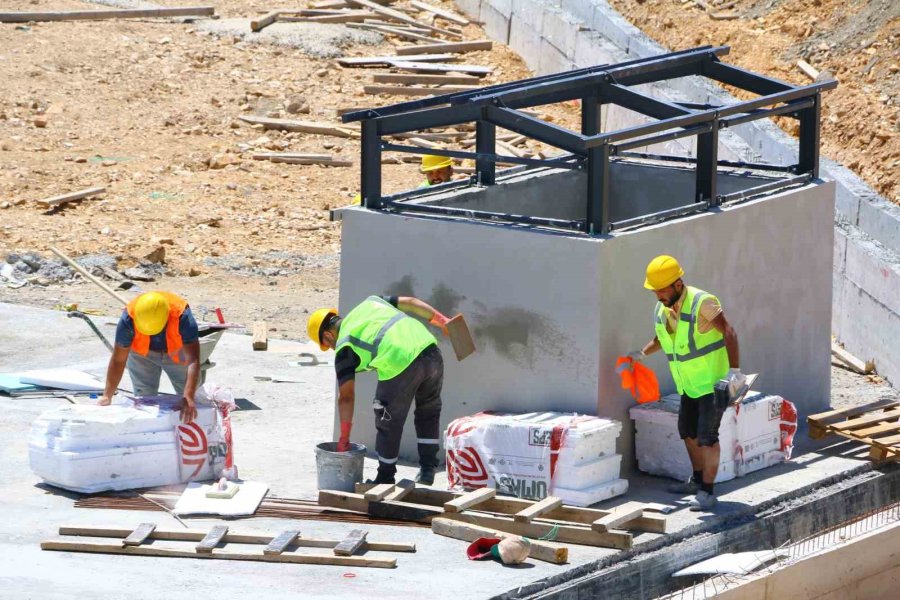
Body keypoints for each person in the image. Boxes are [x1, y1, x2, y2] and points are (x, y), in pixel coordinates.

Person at [629, 256, 744, 511]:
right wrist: (641, 354)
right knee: (688, 433)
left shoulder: (703, 302)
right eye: (654, 290)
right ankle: (697, 479)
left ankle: (708, 491)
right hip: (688, 385)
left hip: (712, 385)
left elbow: (729, 332)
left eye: (662, 289)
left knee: (707, 438)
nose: (657, 294)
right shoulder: (662, 309)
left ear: (678, 284)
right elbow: (661, 339)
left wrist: (735, 371)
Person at [308, 295, 451, 485]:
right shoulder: (372, 302)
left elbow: (346, 397)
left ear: (327, 335)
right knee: (428, 412)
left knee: (388, 420)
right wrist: (443, 321)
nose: (332, 348)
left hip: (399, 360)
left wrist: (344, 438)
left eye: (328, 345)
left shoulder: (344, 346)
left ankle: (385, 477)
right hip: (430, 350)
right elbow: (410, 302)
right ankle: (427, 470)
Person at [98, 291, 201, 423]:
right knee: (144, 402)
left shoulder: (181, 314)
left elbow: (193, 360)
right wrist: (107, 395)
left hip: (177, 352)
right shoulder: (129, 318)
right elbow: (119, 359)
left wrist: (189, 397)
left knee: (192, 402)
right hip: (141, 354)